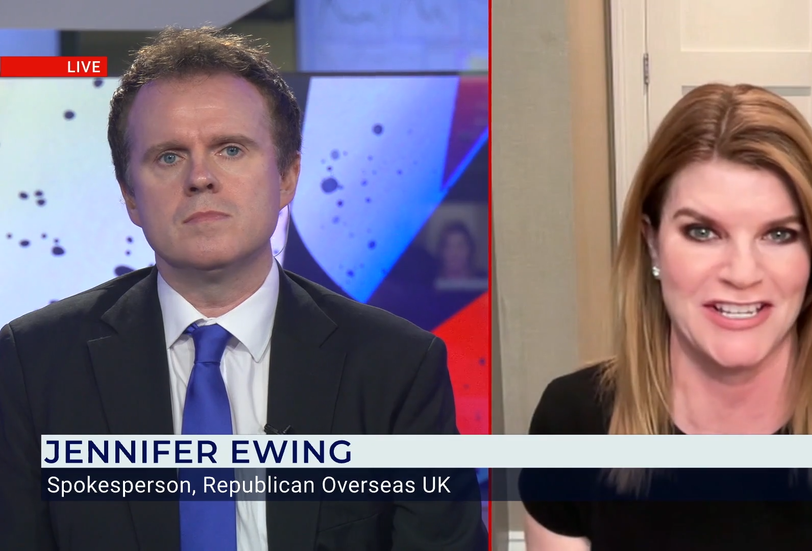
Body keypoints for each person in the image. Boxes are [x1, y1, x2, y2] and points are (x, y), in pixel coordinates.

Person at [0, 27, 487, 551]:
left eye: (230, 149)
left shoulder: (396, 367)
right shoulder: (34, 363)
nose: (200, 177)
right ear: (130, 197)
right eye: (168, 156)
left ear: (287, 177)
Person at [521, 83, 812, 550]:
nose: (742, 273)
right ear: (651, 242)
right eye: (702, 232)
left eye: (779, 234)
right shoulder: (572, 427)